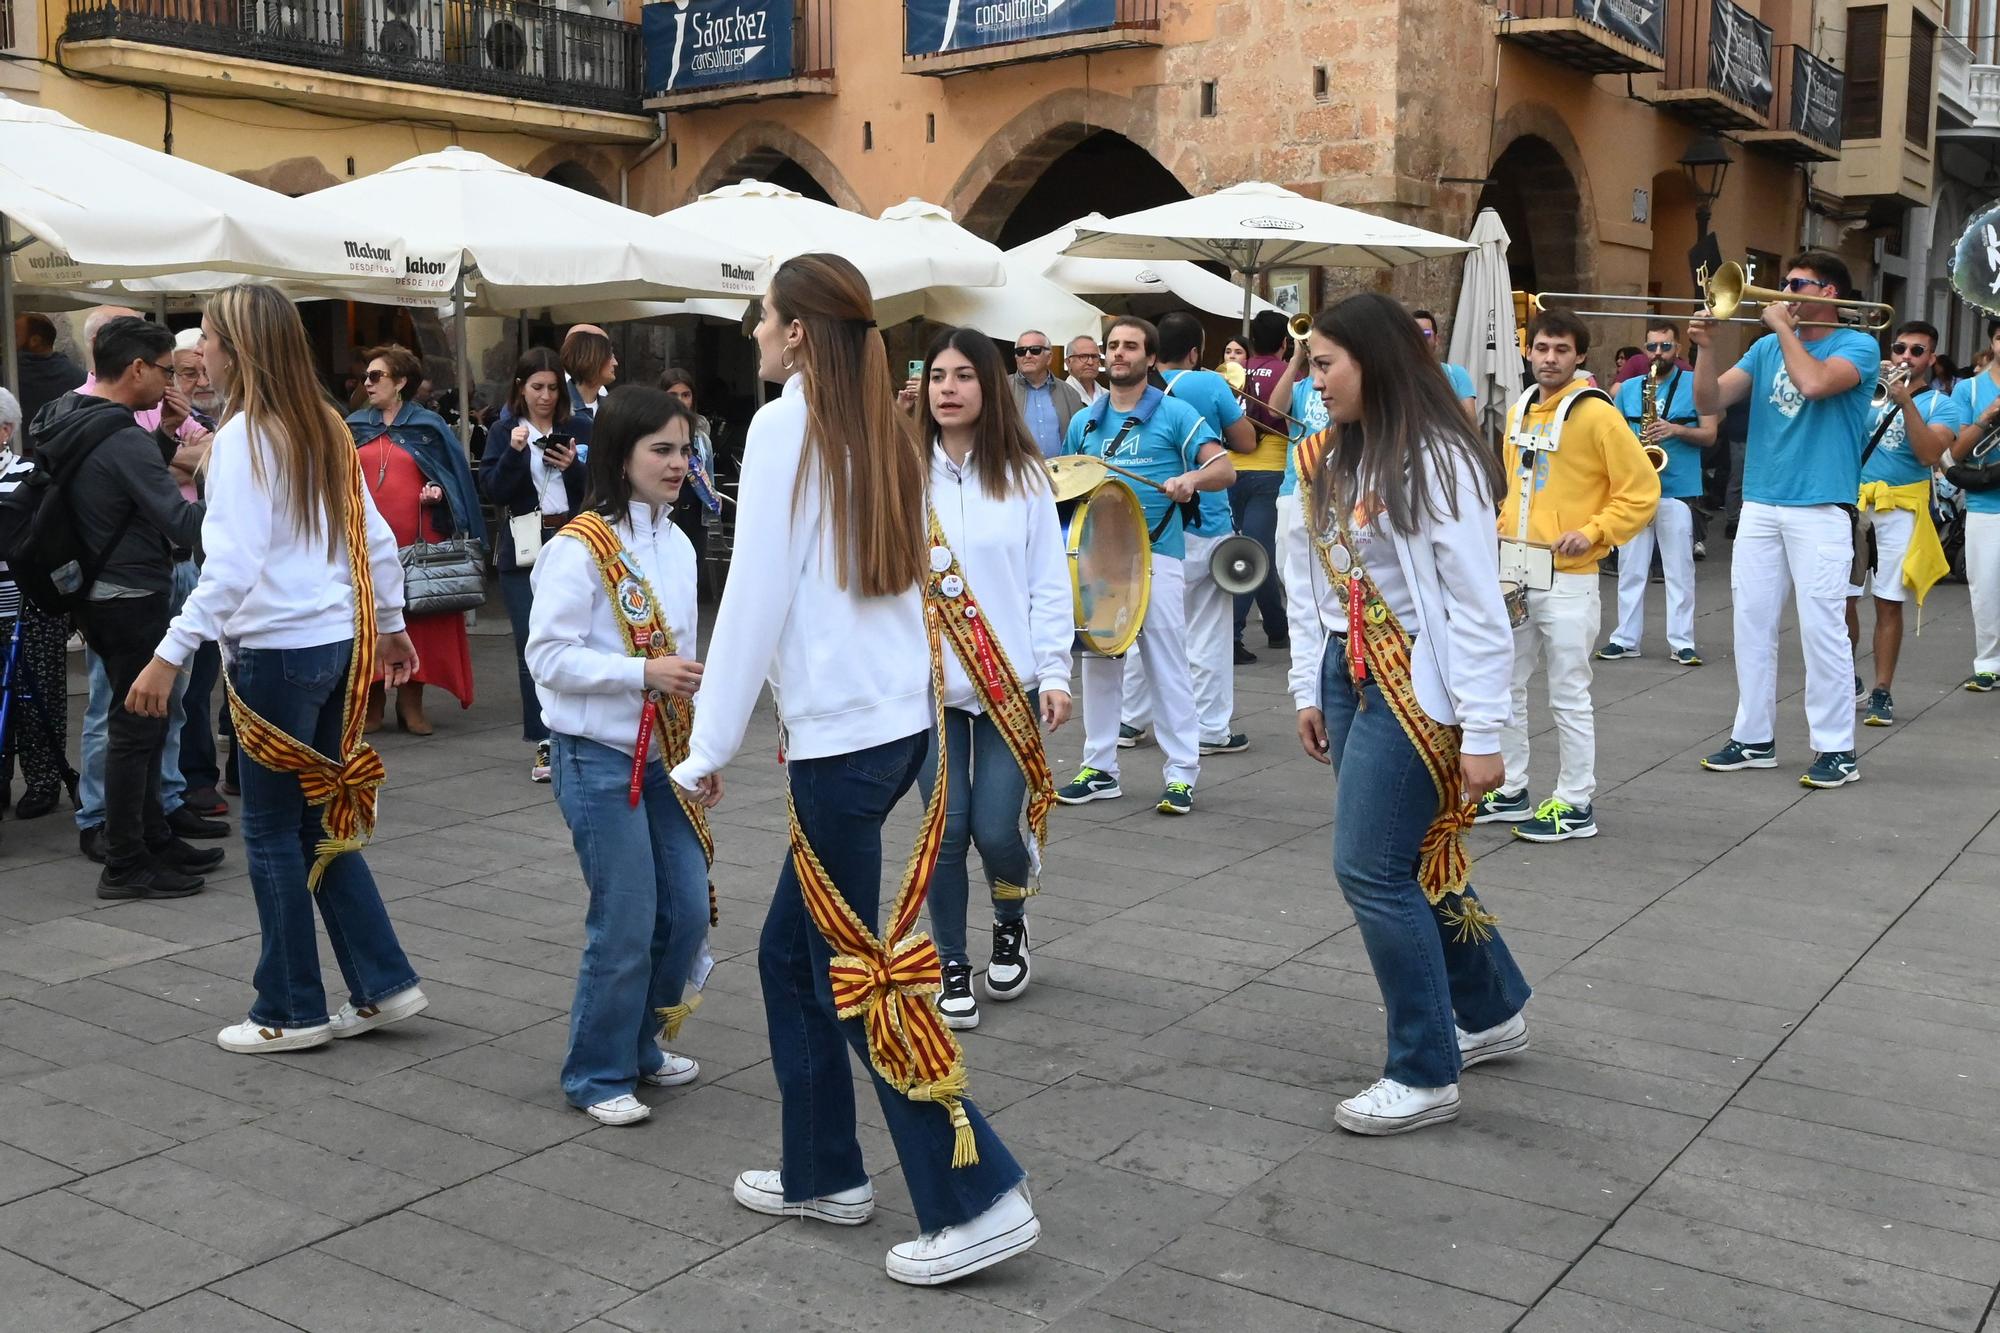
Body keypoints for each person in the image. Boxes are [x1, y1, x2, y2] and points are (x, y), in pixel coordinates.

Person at [671, 253, 1038, 1287]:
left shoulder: (790, 420)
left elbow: (753, 595)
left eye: (761, 319)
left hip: (846, 738)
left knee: (859, 971)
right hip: (893, 724)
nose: (752, 333)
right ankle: (822, 1169)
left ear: (795, 332)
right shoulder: (880, 418)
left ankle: (976, 1194)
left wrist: (705, 747)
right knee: (793, 956)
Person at [128, 282, 427, 1053]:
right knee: (317, 822)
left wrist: (169, 652)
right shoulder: (325, 423)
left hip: (275, 652)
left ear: (242, 348)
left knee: (270, 832)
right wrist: (389, 623)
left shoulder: (245, 437)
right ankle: (382, 982)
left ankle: (291, 1007)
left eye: (213, 342)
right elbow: (376, 539)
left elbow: (228, 567)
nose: (202, 356)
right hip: (332, 643)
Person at [1288, 292, 1530, 1136]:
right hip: (1351, 669)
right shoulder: (1343, 453)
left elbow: (1474, 603)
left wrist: (1486, 732)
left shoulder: (1435, 458)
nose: (1311, 381)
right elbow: (1321, 580)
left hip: (1416, 682)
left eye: (1325, 364)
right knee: (1414, 860)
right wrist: (1309, 685)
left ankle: (1425, 1068)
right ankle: (1490, 1006)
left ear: (1375, 361)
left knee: (1371, 868)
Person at [526, 387, 714, 1126]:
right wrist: (639, 673)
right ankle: (596, 1070)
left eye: (684, 449)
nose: (677, 463)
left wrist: (703, 747)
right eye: (661, 449)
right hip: (597, 756)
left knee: (689, 909)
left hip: (667, 756)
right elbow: (547, 656)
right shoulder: (578, 547)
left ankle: (639, 1046)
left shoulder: (678, 542)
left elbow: (689, 663)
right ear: (621, 454)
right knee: (628, 917)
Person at [913, 327, 1071, 1031]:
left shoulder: (1026, 475)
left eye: (963, 376)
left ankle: (1011, 916)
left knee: (998, 828)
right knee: (944, 832)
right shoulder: (901, 472)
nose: (947, 388)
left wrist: (1057, 673)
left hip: (1010, 682)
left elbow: (1047, 582)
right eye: (938, 376)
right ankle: (951, 959)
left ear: (990, 387)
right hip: (926, 687)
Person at [34, 316, 215, 899]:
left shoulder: (71, 417)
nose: (170, 384)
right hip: (131, 593)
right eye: (166, 371)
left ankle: (153, 839)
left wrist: (162, 438)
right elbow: (182, 521)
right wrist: (226, 479)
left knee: (137, 723)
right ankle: (127, 861)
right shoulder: (119, 437)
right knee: (136, 728)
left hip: (95, 591)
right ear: (137, 367)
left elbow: (112, 494)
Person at [1692, 251, 1878, 789]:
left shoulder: (1858, 345)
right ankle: (1753, 736)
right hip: (1762, 502)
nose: (1781, 292)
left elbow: (1816, 383)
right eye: (1783, 283)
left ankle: (1836, 748)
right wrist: (1703, 351)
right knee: (1750, 624)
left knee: (1823, 629)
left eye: (1797, 284)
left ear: (1829, 293)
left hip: (1821, 507)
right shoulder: (1767, 346)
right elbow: (1710, 401)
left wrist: (1782, 330)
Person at [1476, 309, 1657, 842]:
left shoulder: (1599, 415)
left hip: (1570, 576)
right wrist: (1498, 525)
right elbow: (1513, 483)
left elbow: (1642, 489)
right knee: (1504, 685)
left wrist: (1597, 531)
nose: (1549, 358)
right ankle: (1509, 788)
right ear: (1527, 352)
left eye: (1561, 350)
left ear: (1580, 356)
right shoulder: (1520, 408)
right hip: (1515, 569)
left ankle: (1576, 801)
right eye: (1541, 349)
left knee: (1569, 691)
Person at [1055, 317, 1233, 815]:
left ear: (1150, 359)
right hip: (1100, 560)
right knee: (1100, 662)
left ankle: (1181, 773)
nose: (1118, 354)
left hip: (1159, 556)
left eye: (1130, 346)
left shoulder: (1175, 413)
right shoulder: (1085, 422)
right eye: (1113, 346)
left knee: (1166, 665)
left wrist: (1192, 479)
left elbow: (1226, 468)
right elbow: (1067, 483)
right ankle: (1100, 769)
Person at [1121, 311, 1256, 756]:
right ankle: (1210, 727)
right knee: (1207, 629)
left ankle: (1130, 718)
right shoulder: (1210, 384)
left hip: (1153, 528)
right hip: (1206, 520)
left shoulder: (1137, 394)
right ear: (1196, 351)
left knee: (1142, 624)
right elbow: (1247, 442)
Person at [347, 343, 484, 735]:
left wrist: (437, 491)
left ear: (401, 382)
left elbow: (452, 477)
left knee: (420, 621)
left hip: (420, 537)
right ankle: (372, 705)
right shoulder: (354, 424)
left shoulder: (428, 426)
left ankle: (412, 704)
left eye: (377, 377)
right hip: (367, 541)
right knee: (370, 619)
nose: (368, 384)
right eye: (366, 377)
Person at [1847, 322, 1962, 726]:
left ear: (1931, 359)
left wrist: (1905, 402)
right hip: (1856, 505)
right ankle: (1848, 679)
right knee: (1840, 599)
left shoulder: (1940, 405)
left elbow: (1930, 453)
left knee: (1888, 602)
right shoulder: (1868, 393)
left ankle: (1882, 690)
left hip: (1902, 510)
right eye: (1900, 348)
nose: (1906, 357)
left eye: (1917, 351)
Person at [482, 348, 583, 782]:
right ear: (520, 388)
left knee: (576, 635)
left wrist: (574, 466)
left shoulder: (578, 428)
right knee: (530, 640)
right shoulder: (504, 430)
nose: (544, 396)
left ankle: (575, 732)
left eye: (552, 387)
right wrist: (514, 454)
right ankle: (543, 738)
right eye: (536, 387)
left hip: (571, 538)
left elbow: (601, 490)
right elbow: (494, 490)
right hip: (523, 543)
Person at [1597, 319, 1718, 665]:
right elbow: (1613, 437)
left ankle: (1682, 642)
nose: (1658, 353)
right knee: (1630, 567)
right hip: (1634, 490)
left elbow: (1709, 434)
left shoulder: (1695, 385)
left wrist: (1674, 429)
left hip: (1677, 489)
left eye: (1666, 346)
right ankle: (1625, 638)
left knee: (1679, 568)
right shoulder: (1630, 389)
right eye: (1652, 347)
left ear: (1677, 349)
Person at [0, 388, 70, 822]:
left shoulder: (29, 473)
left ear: (4, 430)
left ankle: (44, 782)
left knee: (36, 697)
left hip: (28, 608)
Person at [1231, 310, 1294, 663]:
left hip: (1232, 468)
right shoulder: (1288, 373)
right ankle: (1233, 635)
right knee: (1252, 554)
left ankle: (1276, 626)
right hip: (1270, 470)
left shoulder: (1232, 370)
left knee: (1256, 550)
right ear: (1285, 343)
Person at [1950, 319, 2000, 693]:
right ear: (1992, 342)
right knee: (1985, 587)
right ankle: (1988, 664)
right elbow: (1951, 453)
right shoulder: (1968, 389)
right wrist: (1986, 417)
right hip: (1986, 500)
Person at [658, 367, 717, 572]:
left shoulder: (701, 438)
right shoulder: (652, 436)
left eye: (686, 395)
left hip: (695, 517)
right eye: (673, 395)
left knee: (693, 574)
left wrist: (711, 518)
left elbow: (709, 482)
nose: (680, 401)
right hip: (664, 514)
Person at [1008, 329, 1084, 459]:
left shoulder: (1070, 394)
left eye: (1035, 350)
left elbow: (1080, 439)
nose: (1027, 355)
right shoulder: (1000, 389)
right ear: (1016, 358)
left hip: (1061, 475)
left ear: (1049, 357)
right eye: (1021, 351)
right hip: (1015, 475)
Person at [13, 314, 86, 441]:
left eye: (15, 336)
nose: (7, 342)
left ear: (34, 341)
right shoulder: (80, 376)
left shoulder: (11, 373)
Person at [1411, 310, 1477, 422]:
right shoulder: (1398, 378)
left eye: (1426, 334)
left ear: (1436, 339)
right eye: (1413, 334)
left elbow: (1471, 419)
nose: (1419, 339)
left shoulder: (1456, 374)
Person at [562, 325, 618, 453]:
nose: (615, 363)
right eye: (609, 356)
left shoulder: (611, 407)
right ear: (592, 359)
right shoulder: (560, 407)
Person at [1063, 335, 1105, 406]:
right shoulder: (1059, 396)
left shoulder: (1108, 395)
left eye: (1094, 357)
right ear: (1068, 362)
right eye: (1083, 356)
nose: (1090, 362)